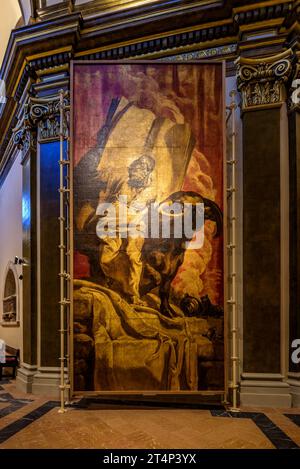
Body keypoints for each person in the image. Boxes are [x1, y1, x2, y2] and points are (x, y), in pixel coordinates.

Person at [96, 153, 156, 305]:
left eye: (143, 166)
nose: (138, 168)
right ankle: (117, 283)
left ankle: (133, 294)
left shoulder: (151, 190)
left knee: (133, 255)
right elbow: (114, 204)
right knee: (106, 256)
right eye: (138, 164)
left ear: (148, 171)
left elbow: (142, 210)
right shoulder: (124, 182)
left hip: (136, 224)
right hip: (116, 220)